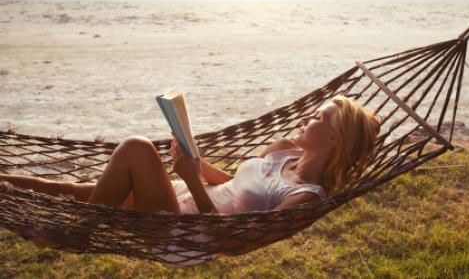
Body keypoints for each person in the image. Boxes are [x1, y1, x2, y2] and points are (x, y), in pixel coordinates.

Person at [0, 95, 380, 250]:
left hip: (182, 231)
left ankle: (75, 236)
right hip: (183, 196)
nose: (304, 117)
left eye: (316, 118)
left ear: (334, 137)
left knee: (135, 147)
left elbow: (234, 242)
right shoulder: (282, 151)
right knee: (71, 188)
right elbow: (232, 182)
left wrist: (193, 180)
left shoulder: (304, 197)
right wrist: (196, 163)